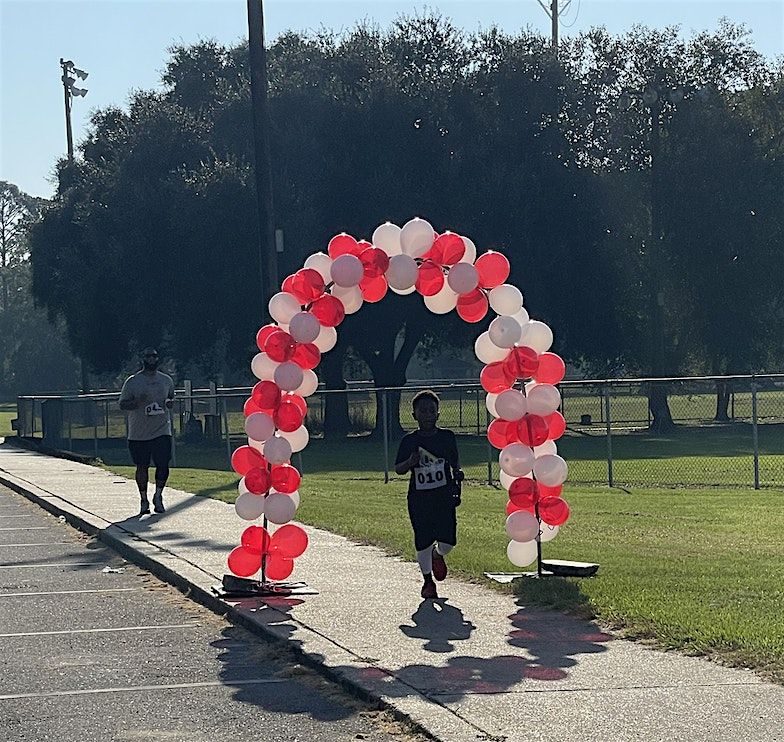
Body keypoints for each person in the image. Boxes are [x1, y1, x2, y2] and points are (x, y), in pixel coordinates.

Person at [395, 390, 463, 600]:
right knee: (422, 540)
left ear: (438, 414)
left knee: (448, 542)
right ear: (414, 415)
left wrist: (458, 476)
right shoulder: (409, 441)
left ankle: (438, 555)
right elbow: (398, 468)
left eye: (431, 410)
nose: (427, 414)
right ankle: (427, 582)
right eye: (422, 411)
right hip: (419, 499)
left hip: (443, 496)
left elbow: (454, 463)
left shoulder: (447, 437)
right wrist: (410, 462)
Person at [118, 348, 175, 516]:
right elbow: (122, 404)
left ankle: (158, 495)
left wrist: (170, 402)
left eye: (155, 356)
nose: (152, 359)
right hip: (139, 433)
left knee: (163, 464)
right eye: (148, 356)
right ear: (143, 360)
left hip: (162, 430)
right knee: (142, 466)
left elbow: (171, 396)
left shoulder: (166, 380)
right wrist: (136, 402)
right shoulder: (133, 382)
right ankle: (143, 499)